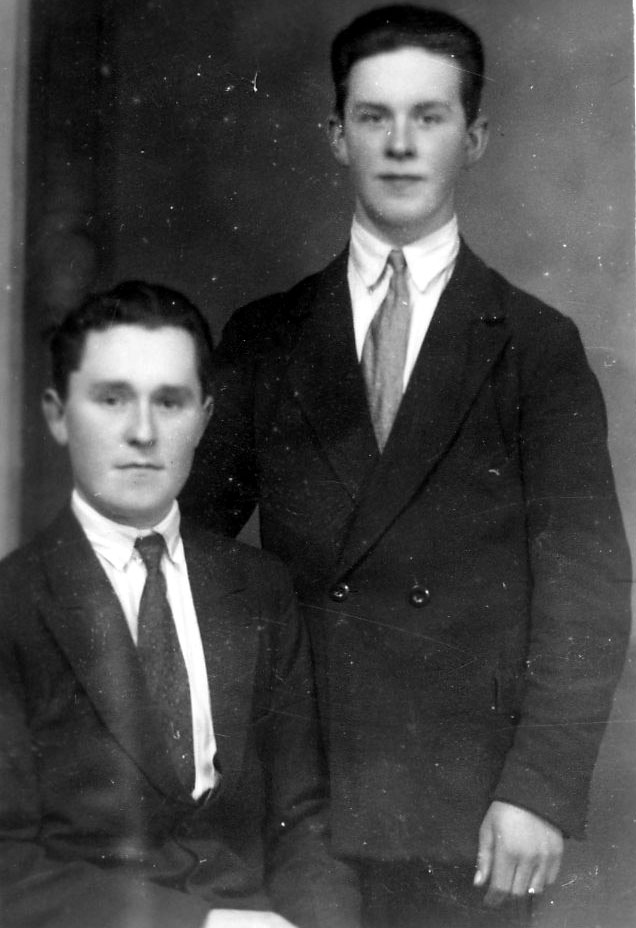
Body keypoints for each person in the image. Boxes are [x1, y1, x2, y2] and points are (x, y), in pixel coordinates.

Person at [180, 6, 632, 927]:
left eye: (428, 116)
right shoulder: (267, 336)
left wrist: (540, 788)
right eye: (373, 116)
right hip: (298, 795)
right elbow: (186, 556)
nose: (399, 144)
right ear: (336, 136)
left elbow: (587, 588)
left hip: (466, 806)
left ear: (475, 138)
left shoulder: (536, 346)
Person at [0, 281, 361, 928]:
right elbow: (7, 867)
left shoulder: (259, 588)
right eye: (112, 399)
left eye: (170, 402)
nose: (142, 433)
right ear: (57, 415)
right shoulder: (13, 605)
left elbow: (303, 822)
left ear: (204, 417)